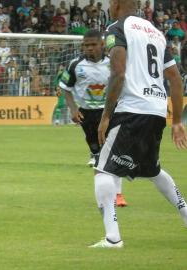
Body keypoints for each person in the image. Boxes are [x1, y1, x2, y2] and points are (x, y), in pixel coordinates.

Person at [89, 0, 187, 248]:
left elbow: (118, 72)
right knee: (152, 170)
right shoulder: (156, 32)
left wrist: (105, 116)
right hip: (156, 111)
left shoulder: (117, 28)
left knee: (103, 170)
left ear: (118, 3)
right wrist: (176, 121)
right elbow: (175, 79)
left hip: (131, 109)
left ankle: (113, 238)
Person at [59, 29, 128, 207]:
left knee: (114, 153)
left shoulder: (113, 63)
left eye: (93, 44)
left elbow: (122, 83)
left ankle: (118, 195)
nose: (89, 48)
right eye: (86, 45)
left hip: (110, 111)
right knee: (98, 154)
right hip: (87, 114)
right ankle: (105, 194)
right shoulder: (75, 65)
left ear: (102, 44)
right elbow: (65, 87)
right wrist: (73, 109)